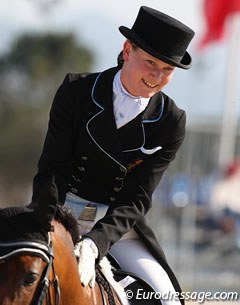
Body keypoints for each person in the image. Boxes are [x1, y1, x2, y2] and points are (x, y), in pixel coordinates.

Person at [32, 6, 195, 305]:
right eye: (150, 63)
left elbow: (137, 197)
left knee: (169, 298)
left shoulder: (172, 121)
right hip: (59, 210)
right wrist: (48, 222)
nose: (157, 77)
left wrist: (97, 242)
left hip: (116, 226)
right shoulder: (77, 91)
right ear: (127, 50)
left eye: (168, 70)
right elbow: (53, 168)